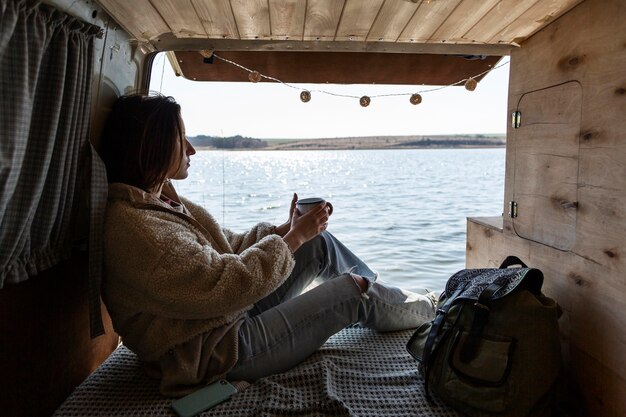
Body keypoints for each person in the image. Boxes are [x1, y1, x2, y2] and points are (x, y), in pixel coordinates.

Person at [99, 93, 436, 397]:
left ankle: (391, 301)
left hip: (222, 319)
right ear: (153, 146)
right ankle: (435, 310)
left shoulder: (162, 200)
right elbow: (224, 284)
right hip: (212, 352)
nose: (192, 149)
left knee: (319, 244)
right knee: (354, 291)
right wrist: (294, 237)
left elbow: (226, 247)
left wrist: (285, 230)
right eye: (181, 138)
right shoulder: (137, 231)